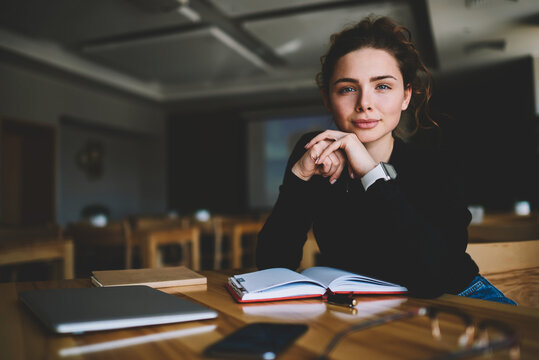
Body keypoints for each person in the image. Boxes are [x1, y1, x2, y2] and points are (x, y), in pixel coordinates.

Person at [255, 16, 516, 304]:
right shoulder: (316, 156)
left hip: (457, 299)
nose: (365, 102)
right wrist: (299, 178)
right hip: (370, 306)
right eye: (348, 88)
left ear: (405, 96)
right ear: (327, 98)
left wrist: (371, 172)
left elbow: (431, 279)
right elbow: (272, 265)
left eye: (382, 86)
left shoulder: (435, 165)